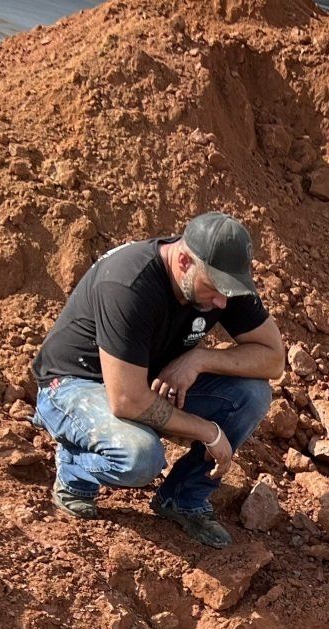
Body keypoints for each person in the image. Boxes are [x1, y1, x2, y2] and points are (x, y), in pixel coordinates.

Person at [31, 212, 285, 545]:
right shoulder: (129, 283)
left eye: (228, 292)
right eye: (214, 289)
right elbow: (127, 400)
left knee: (252, 395)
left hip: (142, 382)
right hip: (74, 384)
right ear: (183, 261)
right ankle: (74, 468)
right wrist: (207, 431)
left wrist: (201, 358)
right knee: (140, 457)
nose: (222, 302)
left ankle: (182, 499)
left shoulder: (220, 283)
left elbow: (273, 359)